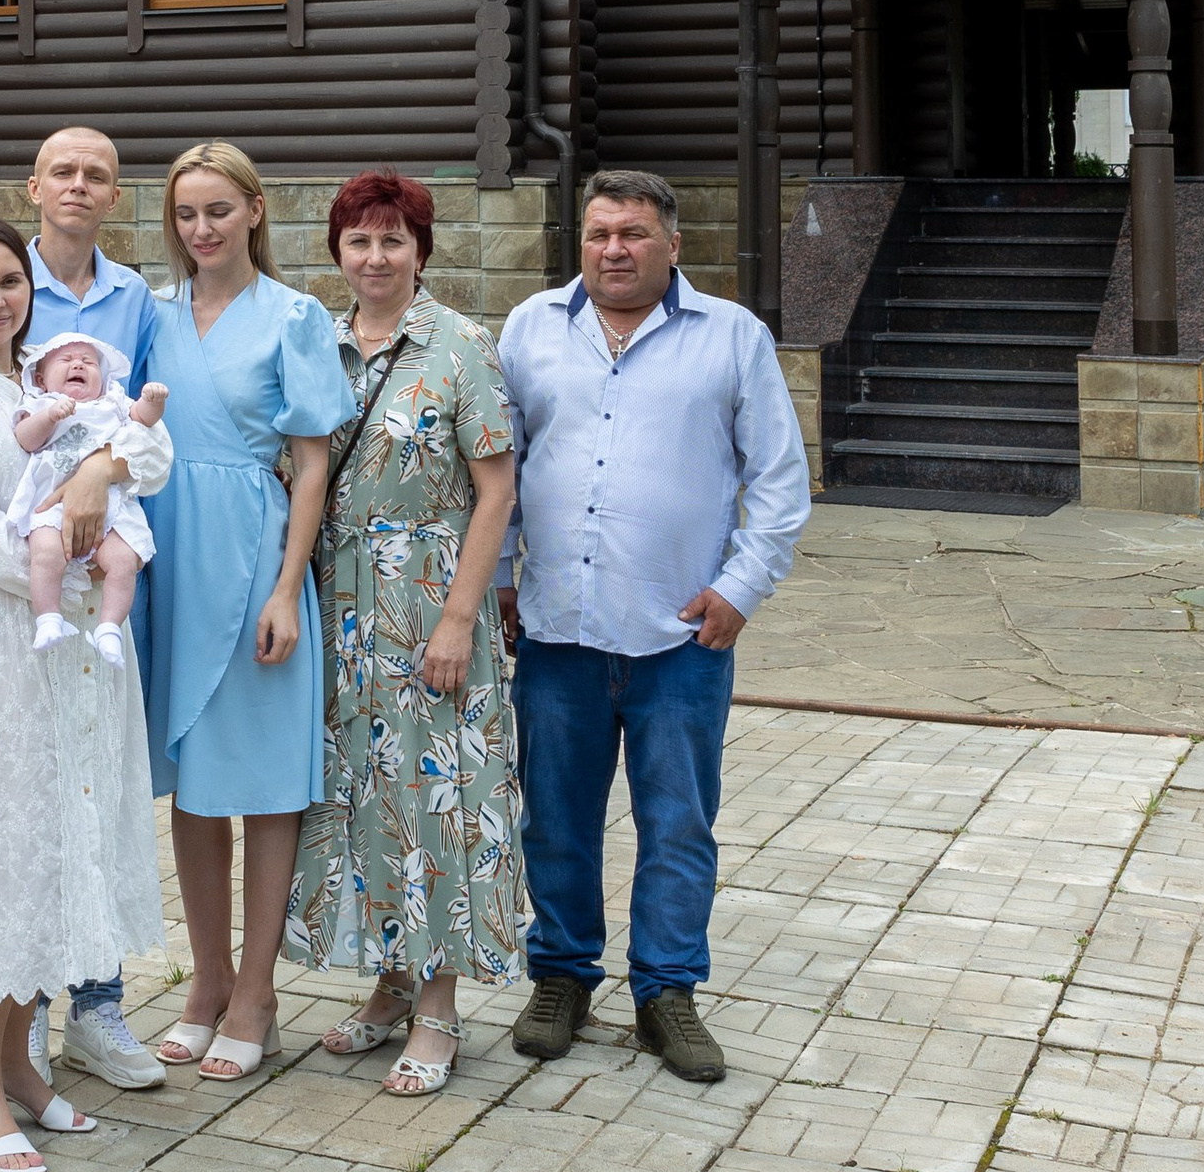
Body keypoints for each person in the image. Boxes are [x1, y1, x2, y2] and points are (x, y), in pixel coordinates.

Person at [495, 166, 810, 1087]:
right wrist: (504, 578)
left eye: (633, 234)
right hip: (557, 633)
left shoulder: (732, 339)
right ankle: (561, 977)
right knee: (555, 818)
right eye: (599, 234)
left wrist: (741, 587)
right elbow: (499, 462)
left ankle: (666, 994)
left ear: (673, 245)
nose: (614, 250)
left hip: (682, 637)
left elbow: (781, 481)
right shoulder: (530, 331)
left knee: (678, 823)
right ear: (580, 243)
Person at [0, 221, 167, 1172]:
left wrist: (102, 466)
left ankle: (18, 1062)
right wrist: (87, 581)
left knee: (50, 850)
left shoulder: (50, 377)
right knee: (0, 860)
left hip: (61, 658)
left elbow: (142, 452)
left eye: (11, 281)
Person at [288, 168, 524, 1099]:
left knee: (435, 803)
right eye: (359, 240)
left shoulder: (461, 346)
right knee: (358, 798)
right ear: (338, 251)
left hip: (428, 604)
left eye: (394, 240)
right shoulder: (322, 346)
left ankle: (439, 1006)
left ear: (421, 250)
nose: (376, 257)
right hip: (338, 609)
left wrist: (462, 617)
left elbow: (496, 490)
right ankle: (389, 982)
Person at [139, 140, 352, 1079]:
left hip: (256, 552)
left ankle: (259, 991)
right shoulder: (149, 314)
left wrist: (287, 589)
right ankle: (207, 980)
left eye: (218, 210)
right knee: (191, 776)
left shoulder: (294, 316)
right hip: (167, 558)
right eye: (186, 214)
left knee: (262, 783)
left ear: (255, 211)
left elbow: (312, 464)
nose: (202, 229)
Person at [23, 122, 164, 1094]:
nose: (78, 186)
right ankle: (22, 1008)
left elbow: (154, 431)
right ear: (33, 187)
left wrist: (97, 478)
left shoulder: (136, 300)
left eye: (97, 176)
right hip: (23, 582)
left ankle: (98, 1008)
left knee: (99, 787)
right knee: (30, 791)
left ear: (116, 197)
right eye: (63, 171)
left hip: (102, 587)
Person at [9, 334, 167, 660]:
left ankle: (109, 627)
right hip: (51, 501)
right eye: (65, 361)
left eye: (88, 362)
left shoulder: (112, 403)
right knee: (46, 554)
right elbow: (25, 440)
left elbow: (144, 421)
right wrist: (50, 416)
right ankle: (49, 617)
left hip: (111, 504)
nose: (78, 363)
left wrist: (153, 401)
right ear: (40, 378)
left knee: (123, 561)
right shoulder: (40, 403)